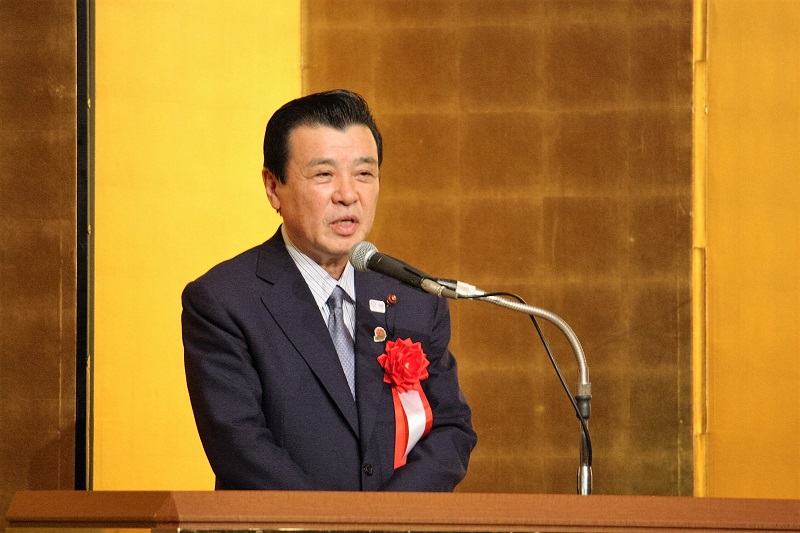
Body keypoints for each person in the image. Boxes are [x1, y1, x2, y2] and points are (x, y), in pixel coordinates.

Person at [182, 89, 476, 491]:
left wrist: (388, 517)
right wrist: (332, 520)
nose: (348, 194)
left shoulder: (416, 299)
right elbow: (240, 446)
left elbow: (451, 428)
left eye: (364, 174)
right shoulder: (224, 301)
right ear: (273, 187)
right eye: (324, 174)